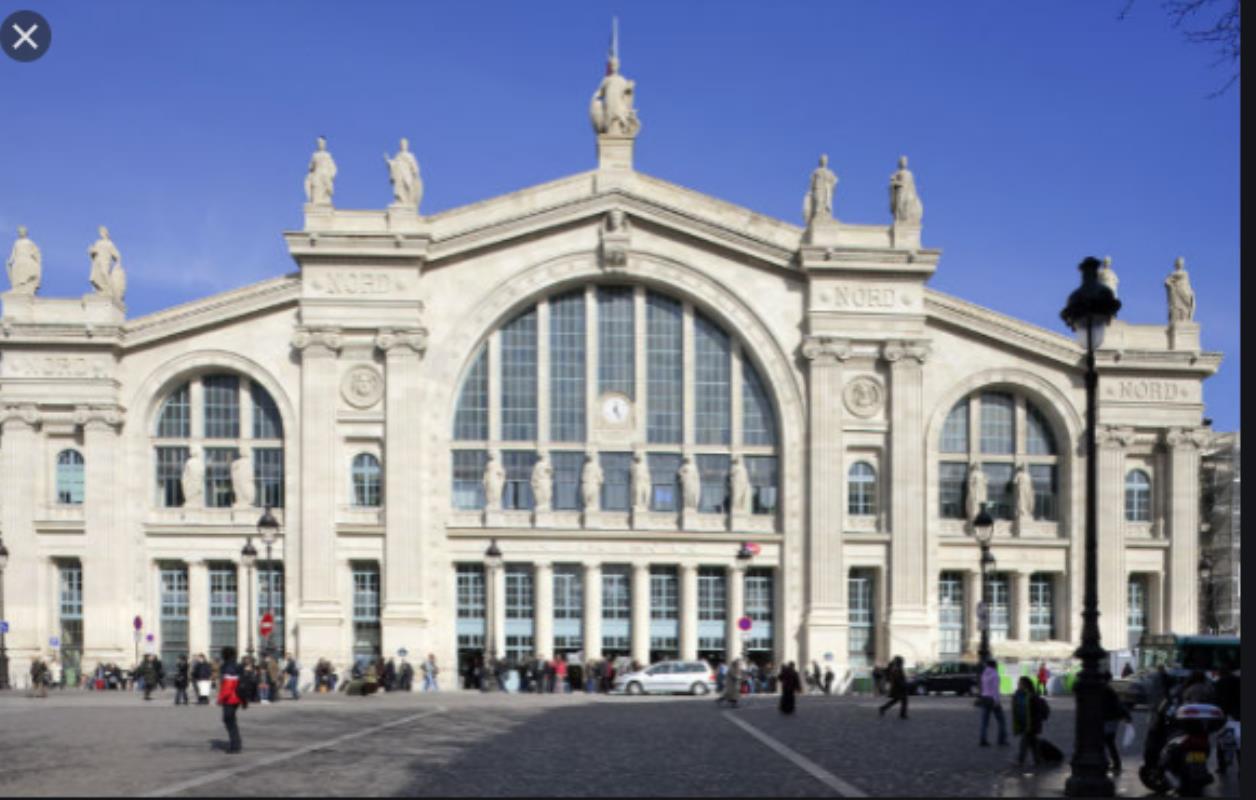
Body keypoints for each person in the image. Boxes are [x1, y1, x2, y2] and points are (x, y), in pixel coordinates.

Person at [1011, 676, 1049, 768]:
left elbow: (1038, 711)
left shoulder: (1032, 696)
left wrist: (1036, 721)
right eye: (1018, 683)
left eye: (1020, 683)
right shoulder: (1020, 695)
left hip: (1032, 724)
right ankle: (1038, 760)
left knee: (1025, 742)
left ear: (1025, 685)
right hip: (1026, 724)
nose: (1018, 685)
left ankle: (1020, 761)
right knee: (1033, 743)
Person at [1100, 671, 1133, 773]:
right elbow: (1119, 704)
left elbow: (1115, 704)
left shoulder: (1105, 690)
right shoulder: (1108, 689)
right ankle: (1114, 763)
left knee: (1106, 741)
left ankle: (1109, 762)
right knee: (1109, 742)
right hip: (1112, 719)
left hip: (1108, 719)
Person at [217, 646, 245, 754]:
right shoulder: (238, 665)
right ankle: (236, 743)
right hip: (237, 696)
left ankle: (235, 745)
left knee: (228, 720)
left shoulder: (227, 666)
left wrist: (221, 698)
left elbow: (229, 684)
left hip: (230, 697)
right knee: (231, 720)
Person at [977, 659, 1009, 747]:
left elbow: (982, 687)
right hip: (992, 699)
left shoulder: (984, 674)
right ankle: (1001, 740)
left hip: (984, 698)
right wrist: (997, 701)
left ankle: (983, 739)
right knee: (1001, 721)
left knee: (984, 722)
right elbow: (995, 690)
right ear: (995, 666)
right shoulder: (995, 675)